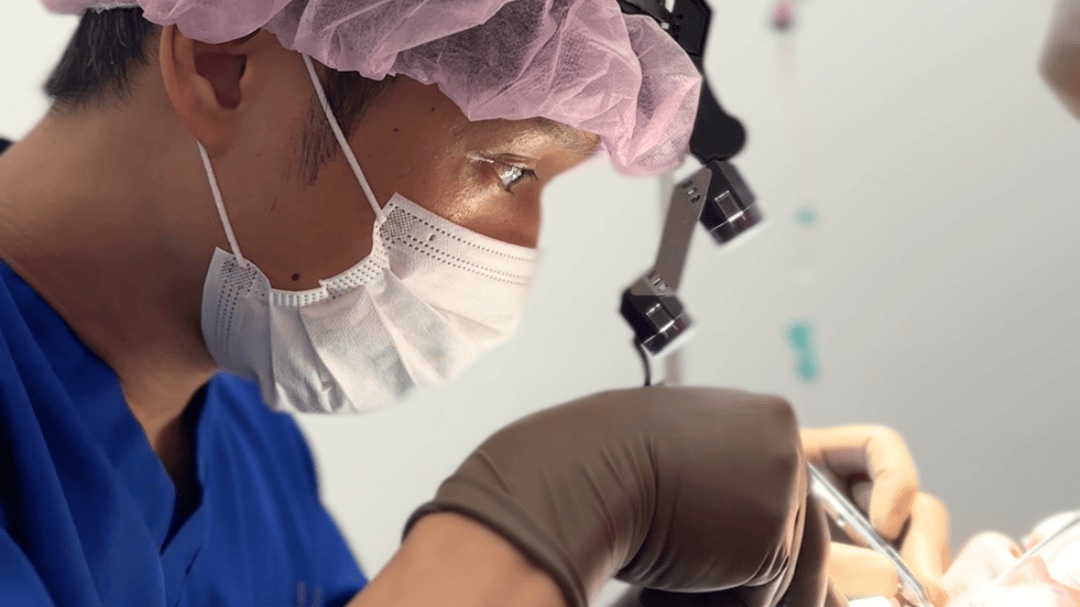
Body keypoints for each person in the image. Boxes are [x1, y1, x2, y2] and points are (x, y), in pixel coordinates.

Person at [0, 2, 950, 606]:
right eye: (510, 169)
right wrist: (558, 511)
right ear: (224, 66)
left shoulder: (242, 442)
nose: (522, 251)